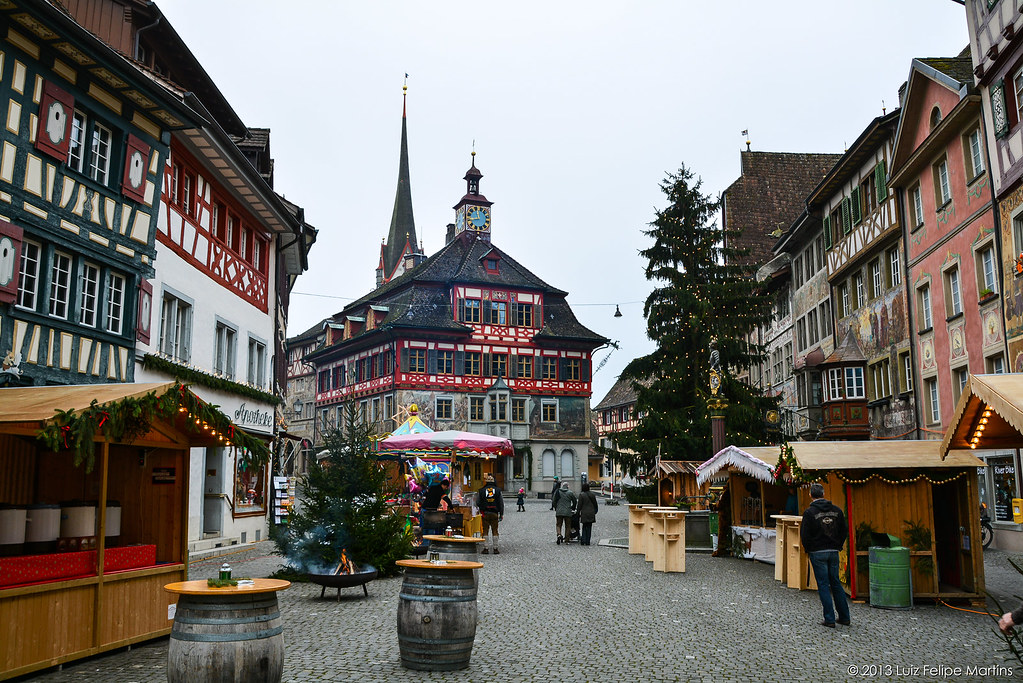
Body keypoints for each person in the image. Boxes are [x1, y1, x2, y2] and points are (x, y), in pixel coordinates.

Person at [800, 482, 851, 628]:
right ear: (823, 494)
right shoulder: (837, 510)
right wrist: (838, 545)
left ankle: (829, 618)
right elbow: (843, 530)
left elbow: (805, 535)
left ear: (810, 495)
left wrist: (809, 549)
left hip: (817, 551)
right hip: (833, 551)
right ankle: (844, 616)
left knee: (823, 585)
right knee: (836, 583)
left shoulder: (809, 513)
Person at [477, 474, 504, 554]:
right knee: (495, 530)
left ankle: (486, 548)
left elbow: (478, 502)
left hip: (485, 513)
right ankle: (495, 548)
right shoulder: (498, 490)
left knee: (485, 530)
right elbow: (501, 503)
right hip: (494, 513)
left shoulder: (481, 490)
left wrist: (481, 508)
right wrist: (501, 513)